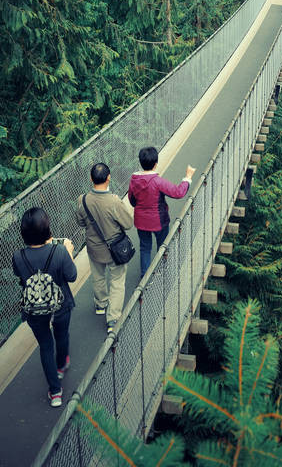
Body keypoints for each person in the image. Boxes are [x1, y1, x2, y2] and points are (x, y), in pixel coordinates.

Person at [12, 207, 77, 408]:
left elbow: (20, 276)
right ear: (47, 229)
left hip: (34, 310)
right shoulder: (59, 251)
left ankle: (55, 391)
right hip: (60, 305)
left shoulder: (18, 256)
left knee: (45, 346)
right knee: (62, 335)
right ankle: (61, 366)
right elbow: (72, 276)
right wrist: (69, 252)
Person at [76, 163, 134, 335]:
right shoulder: (114, 201)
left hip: (94, 248)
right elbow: (128, 224)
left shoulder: (82, 200)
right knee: (117, 281)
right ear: (109, 178)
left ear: (91, 179)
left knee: (98, 277)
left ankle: (101, 304)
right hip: (115, 250)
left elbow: (80, 223)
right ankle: (113, 318)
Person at [128, 147, 195, 275]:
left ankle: (145, 277)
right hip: (159, 221)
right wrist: (188, 177)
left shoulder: (134, 180)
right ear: (155, 164)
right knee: (162, 246)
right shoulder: (157, 182)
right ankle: (161, 270)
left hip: (141, 221)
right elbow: (178, 192)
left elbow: (132, 200)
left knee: (145, 248)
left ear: (141, 163)